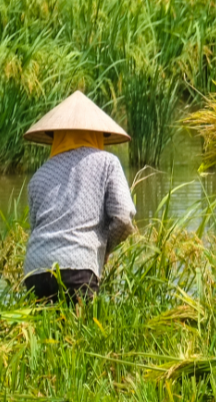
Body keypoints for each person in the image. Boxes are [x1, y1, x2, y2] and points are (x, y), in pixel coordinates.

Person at [21, 90, 136, 304]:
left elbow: (35, 227)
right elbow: (123, 217)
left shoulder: (39, 176)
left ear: (56, 136)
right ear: (98, 134)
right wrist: (105, 249)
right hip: (78, 268)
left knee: (43, 335)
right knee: (78, 335)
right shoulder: (107, 163)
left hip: (35, 271)